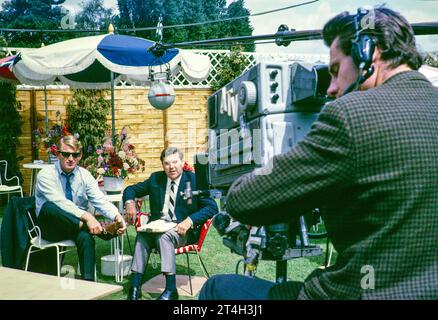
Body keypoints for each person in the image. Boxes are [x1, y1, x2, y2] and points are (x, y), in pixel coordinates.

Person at [199, 6, 438, 300]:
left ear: (369, 52)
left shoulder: (350, 115)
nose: (331, 89)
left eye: (335, 72)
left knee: (218, 288)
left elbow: (244, 201)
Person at [124, 147, 218, 300]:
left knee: (164, 237)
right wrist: (129, 203)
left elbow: (212, 207)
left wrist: (189, 221)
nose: (171, 167)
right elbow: (130, 189)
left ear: (182, 162)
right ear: (162, 165)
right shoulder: (155, 179)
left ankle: (171, 289)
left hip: (182, 230)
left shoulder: (194, 180)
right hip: (157, 227)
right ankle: (135, 286)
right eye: (167, 163)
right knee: (142, 236)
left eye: (175, 162)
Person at [35, 135, 126, 281]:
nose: (71, 158)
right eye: (66, 154)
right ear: (58, 154)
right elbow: (61, 202)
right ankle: (103, 232)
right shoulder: (45, 174)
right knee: (49, 207)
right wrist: (89, 218)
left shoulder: (85, 175)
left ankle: (88, 285)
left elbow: (99, 200)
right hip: (51, 228)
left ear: (80, 156)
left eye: (75, 155)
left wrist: (118, 217)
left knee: (86, 237)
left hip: (76, 226)